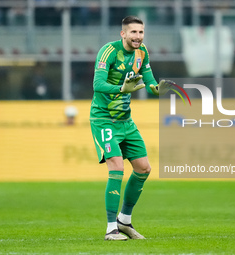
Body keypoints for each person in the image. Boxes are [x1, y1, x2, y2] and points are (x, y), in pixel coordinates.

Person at [89, 16, 173, 241]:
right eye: (133, 32)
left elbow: (148, 79)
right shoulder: (107, 52)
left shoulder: (142, 51)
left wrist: (157, 88)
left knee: (144, 169)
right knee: (116, 165)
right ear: (123, 34)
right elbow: (97, 85)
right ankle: (110, 228)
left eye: (141, 32)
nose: (138, 37)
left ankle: (124, 220)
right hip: (103, 119)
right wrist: (122, 88)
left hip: (126, 121)